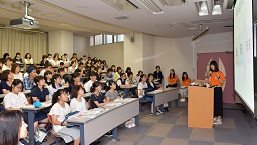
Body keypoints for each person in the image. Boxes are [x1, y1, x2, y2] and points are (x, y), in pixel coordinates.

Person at [208, 60, 226, 125]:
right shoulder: (211, 73)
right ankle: (215, 116)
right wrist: (209, 75)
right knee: (214, 103)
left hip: (218, 88)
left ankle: (219, 118)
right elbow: (209, 82)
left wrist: (218, 78)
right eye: (211, 66)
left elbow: (222, 82)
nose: (212, 67)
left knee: (219, 103)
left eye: (212, 65)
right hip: (213, 89)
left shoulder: (220, 73)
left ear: (215, 65)